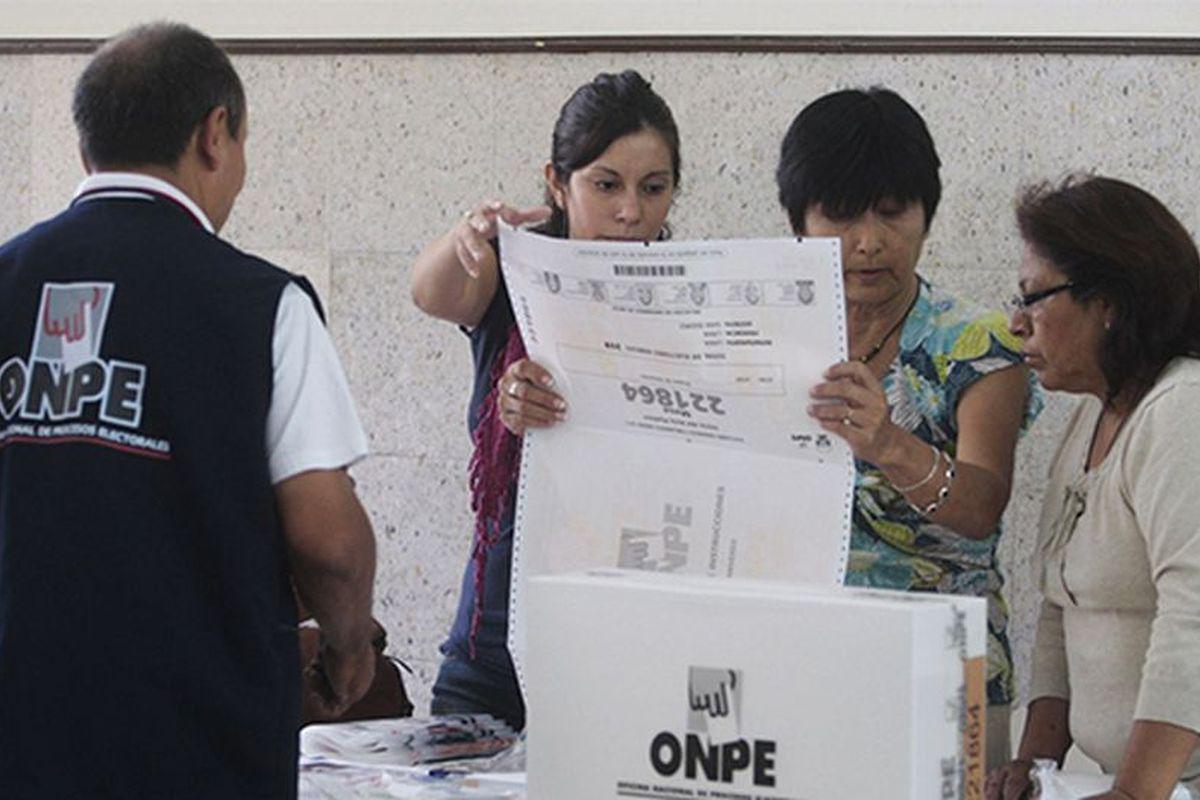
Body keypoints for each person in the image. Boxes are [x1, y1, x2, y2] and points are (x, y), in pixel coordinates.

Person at [0, 23, 377, 799]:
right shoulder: (264, 304)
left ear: (86, 152)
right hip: (198, 747)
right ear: (215, 134)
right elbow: (328, 540)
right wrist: (347, 651)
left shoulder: (6, 279)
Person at [777, 87, 1041, 768]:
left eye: (894, 213)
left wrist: (888, 443)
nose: (870, 242)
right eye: (839, 215)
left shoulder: (977, 343)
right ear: (797, 223)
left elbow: (982, 506)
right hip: (792, 665)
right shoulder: (762, 333)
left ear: (927, 215)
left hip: (946, 679)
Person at [410, 69, 681, 730]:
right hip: (493, 656)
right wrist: (468, 235)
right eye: (605, 184)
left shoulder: (691, 299)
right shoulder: (514, 276)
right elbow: (430, 292)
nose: (630, 213)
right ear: (558, 183)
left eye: (654, 189)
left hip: (633, 658)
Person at [988, 176, 1200, 800]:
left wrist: (1138, 792)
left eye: (1035, 299)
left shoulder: (1182, 410)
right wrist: (1034, 764)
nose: (1016, 323)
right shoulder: (1091, 413)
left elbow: (1195, 613)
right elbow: (1060, 605)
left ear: (1108, 301)